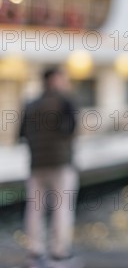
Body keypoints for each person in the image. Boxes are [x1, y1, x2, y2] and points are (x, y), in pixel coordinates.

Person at [19, 67, 79, 268]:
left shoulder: (30, 103)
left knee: (34, 209)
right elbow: (71, 128)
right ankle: (59, 253)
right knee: (62, 208)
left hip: (36, 163)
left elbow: (21, 133)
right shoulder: (65, 101)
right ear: (55, 80)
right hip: (61, 163)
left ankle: (35, 252)